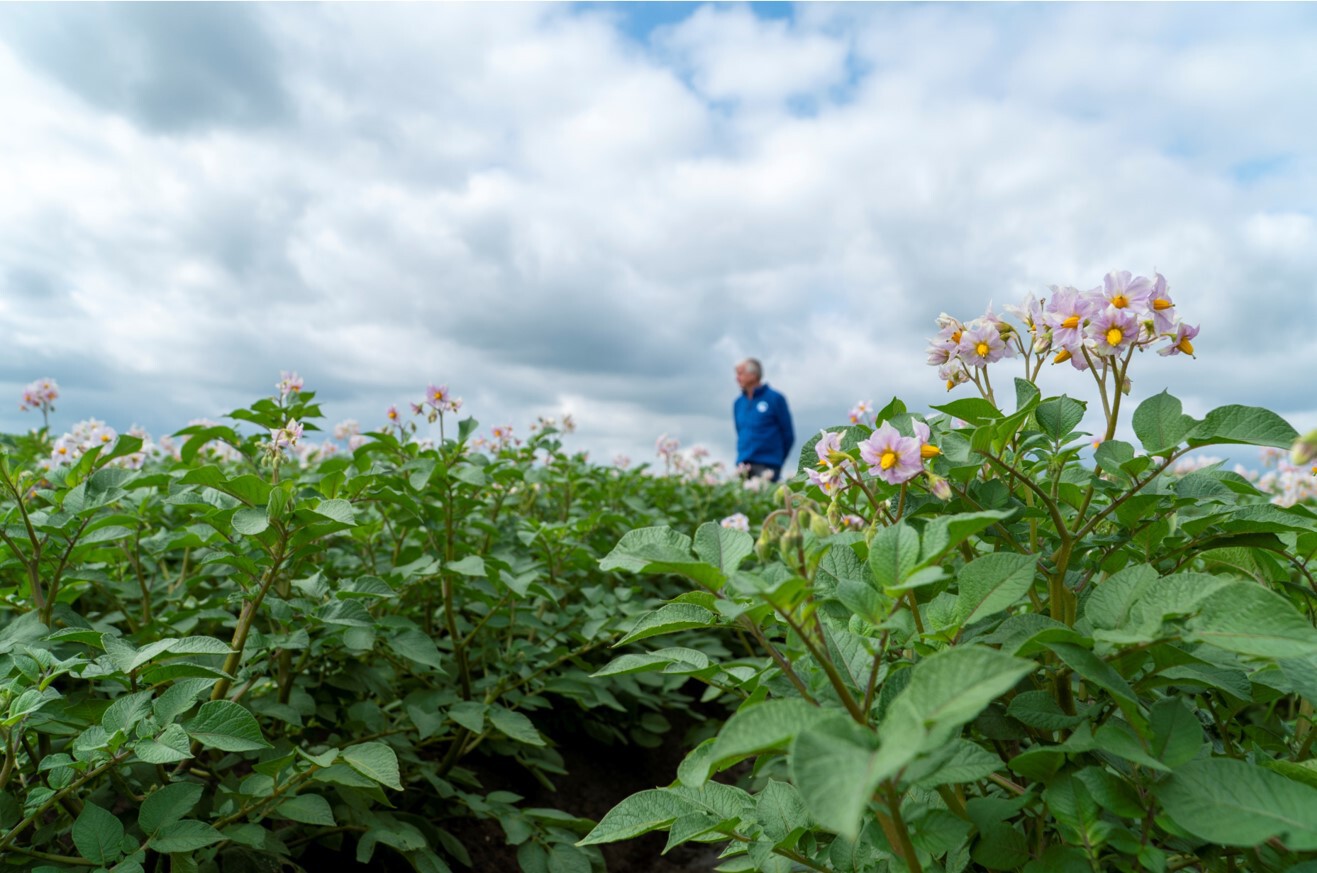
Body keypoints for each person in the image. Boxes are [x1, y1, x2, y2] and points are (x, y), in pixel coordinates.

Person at [733, 357, 794, 482]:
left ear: (753, 375)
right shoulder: (738, 403)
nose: (737, 378)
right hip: (743, 464)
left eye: (740, 373)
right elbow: (740, 432)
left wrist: (777, 460)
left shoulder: (775, 399)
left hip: (768, 464)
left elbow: (788, 434)